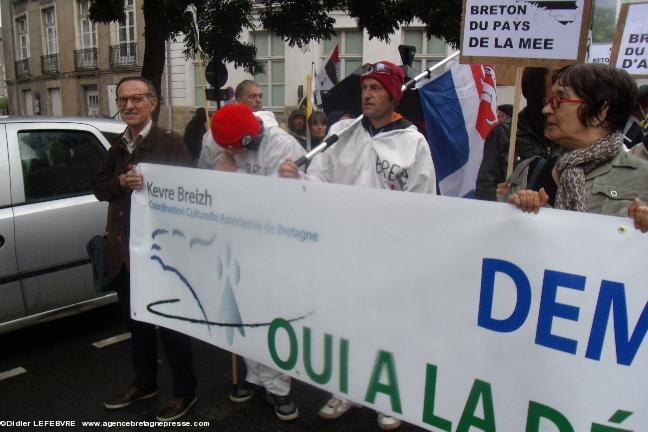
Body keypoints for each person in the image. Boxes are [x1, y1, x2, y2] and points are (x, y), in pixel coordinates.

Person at [278, 60, 436, 431]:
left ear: (393, 94)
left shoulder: (413, 142)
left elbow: (424, 203)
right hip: (344, 252)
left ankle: (389, 396)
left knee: (389, 327)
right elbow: (318, 181)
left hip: (389, 255)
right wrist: (295, 177)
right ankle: (345, 388)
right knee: (345, 324)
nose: (367, 94)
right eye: (365, 88)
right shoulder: (342, 133)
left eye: (376, 88)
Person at [92, 76, 198, 422]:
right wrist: (120, 182)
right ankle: (145, 383)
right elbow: (98, 186)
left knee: (170, 324)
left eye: (137, 98)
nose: (130, 105)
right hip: (124, 253)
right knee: (137, 325)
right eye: (123, 100)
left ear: (152, 103)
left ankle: (185, 392)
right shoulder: (117, 145)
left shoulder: (170, 142)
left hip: (160, 254)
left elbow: (188, 193)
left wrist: (153, 184)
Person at [199, 103, 305, 421]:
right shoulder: (213, 139)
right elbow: (204, 181)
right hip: (239, 244)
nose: (229, 150)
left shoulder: (283, 145)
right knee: (243, 313)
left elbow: (284, 201)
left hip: (276, 245)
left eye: (235, 147)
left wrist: (237, 175)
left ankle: (279, 388)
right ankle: (255, 377)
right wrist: (221, 173)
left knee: (272, 316)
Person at [502, 63, 648, 218]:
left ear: (600, 112)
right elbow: (498, 236)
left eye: (559, 100)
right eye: (549, 100)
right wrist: (514, 212)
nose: (546, 110)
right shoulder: (529, 170)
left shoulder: (642, 177)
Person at [476, 67, 558, 201]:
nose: (557, 98)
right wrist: (497, 196)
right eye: (554, 86)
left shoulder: (568, 136)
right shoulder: (504, 133)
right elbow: (483, 189)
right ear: (534, 93)